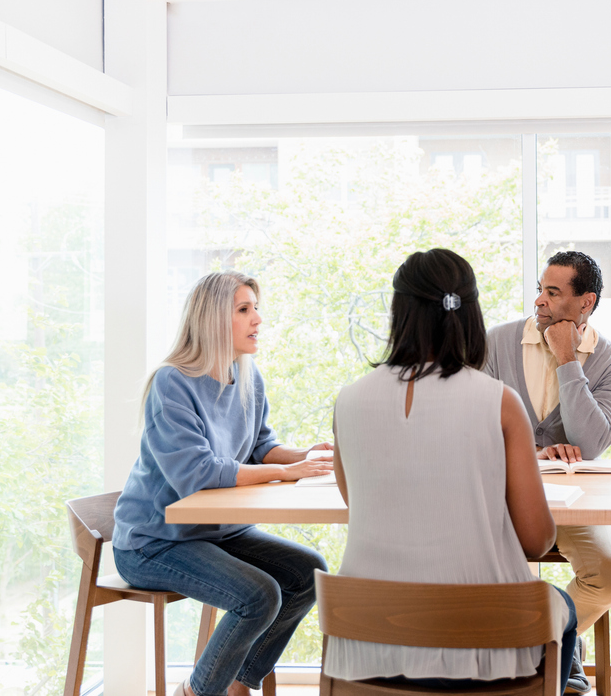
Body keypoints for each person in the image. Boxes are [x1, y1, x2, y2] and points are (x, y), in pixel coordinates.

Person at [327, 249, 579, 688]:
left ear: (398, 312)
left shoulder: (347, 402)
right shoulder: (499, 401)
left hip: (368, 642)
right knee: (563, 609)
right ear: (469, 313)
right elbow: (537, 541)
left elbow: (361, 506)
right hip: (485, 642)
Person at [112, 271, 333, 696]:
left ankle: (234, 683)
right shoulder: (171, 383)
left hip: (218, 532)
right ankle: (195, 692)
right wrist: (285, 473)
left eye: (256, 308)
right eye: (245, 309)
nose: (258, 319)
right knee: (259, 594)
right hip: (154, 543)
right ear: (214, 319)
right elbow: (196, 473)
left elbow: (261, 445)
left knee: (308, 572)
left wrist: (306, 456)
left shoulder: (248, 377)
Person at [483, 251, 611, 694]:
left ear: (585, 302)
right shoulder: (495, 344)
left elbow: (591, 443)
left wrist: (568, 359)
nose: (539, 301)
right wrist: (533, 452)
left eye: (553, 293)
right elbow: (470, 428)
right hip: (501, 495)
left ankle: (555, 640)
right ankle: (557, 649)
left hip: (576, 502)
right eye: (540, 289)